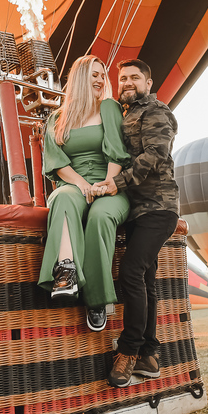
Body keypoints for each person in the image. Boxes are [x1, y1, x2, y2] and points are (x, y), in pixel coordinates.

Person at [96, 59, 180, 387]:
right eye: (123, 77)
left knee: (131, 270)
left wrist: (115, 184)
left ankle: (128, 350)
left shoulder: (156, 111)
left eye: (134, 77)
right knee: (145, 280)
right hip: (136, 210)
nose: (128, 81)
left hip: (159, 208)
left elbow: (155, 155)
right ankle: (150, 354)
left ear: (148, 81)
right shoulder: (122, 110)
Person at [39, 55, 130, 332]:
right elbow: (55, 160)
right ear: (79, 79)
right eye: (94, 75)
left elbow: (117, 150)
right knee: (62, 197)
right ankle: (66, 272)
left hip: (110, 184)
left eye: (103, 75)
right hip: (74, 184)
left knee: (100, 217)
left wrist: (106, 183)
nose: (101, 79)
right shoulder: (57, 118)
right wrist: (80, 184)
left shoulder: (109, 108)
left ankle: (97, 300)